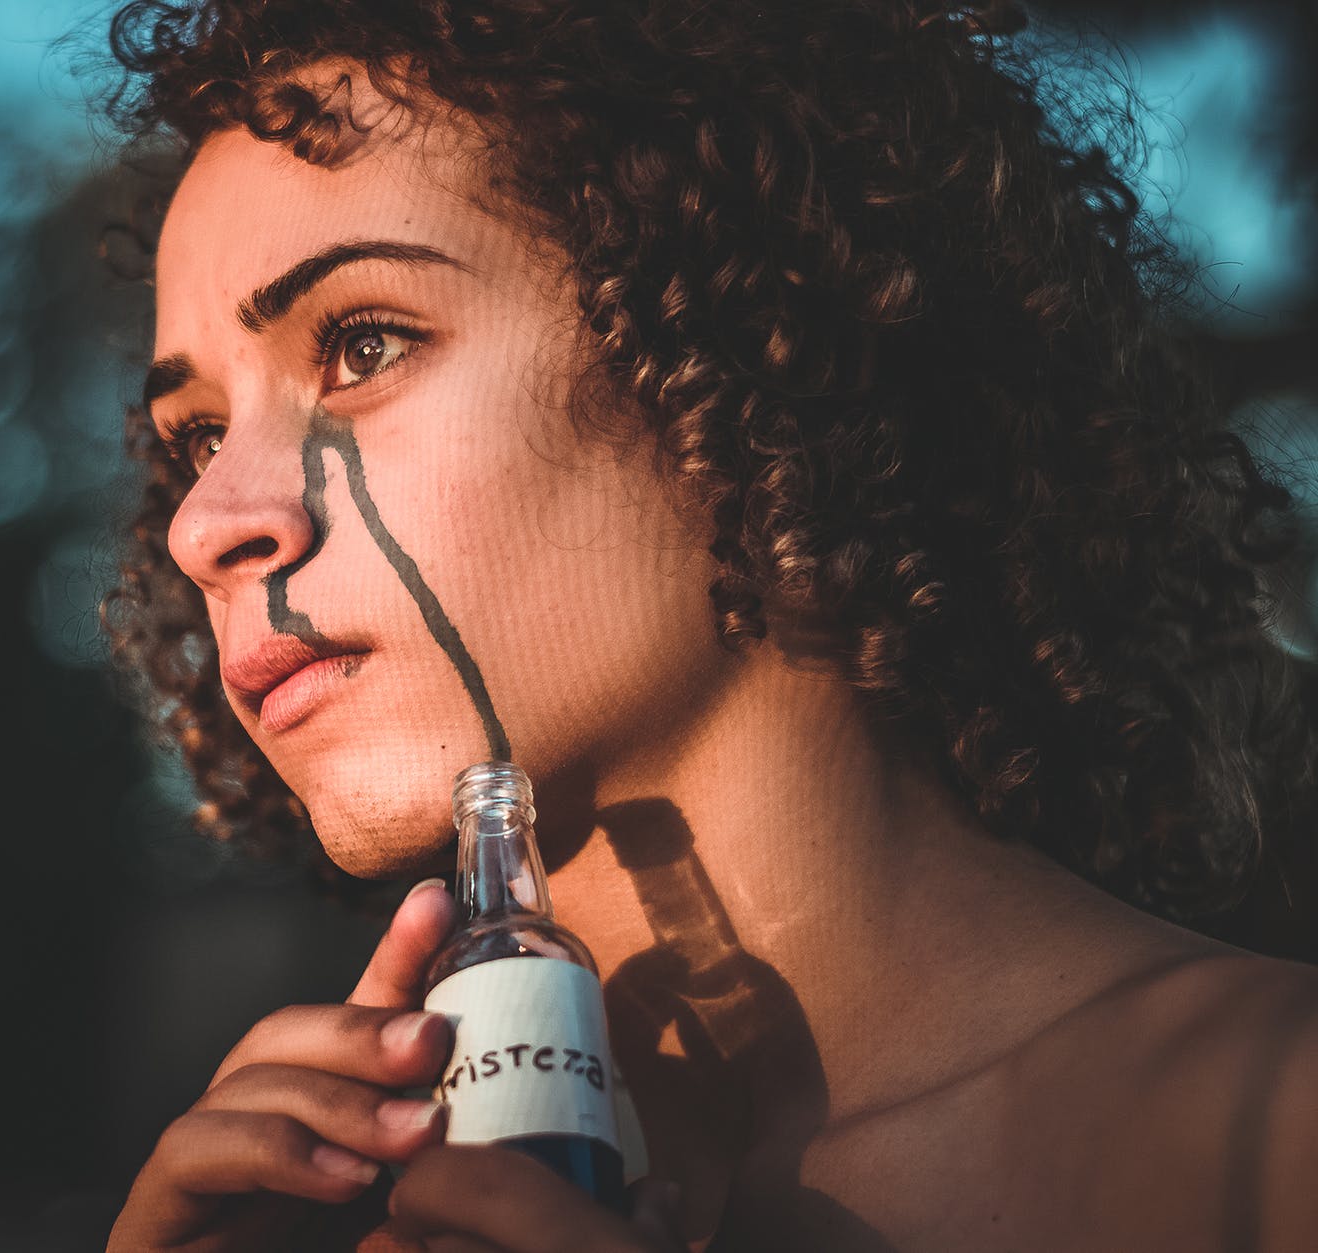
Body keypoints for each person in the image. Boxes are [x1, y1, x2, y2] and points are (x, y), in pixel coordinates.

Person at [96, 0, 1318, 1248]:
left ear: (751, 327)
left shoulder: (1269, 1136)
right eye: (194, 436)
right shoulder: (313, 1214)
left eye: (360, 343)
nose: (204, 525)